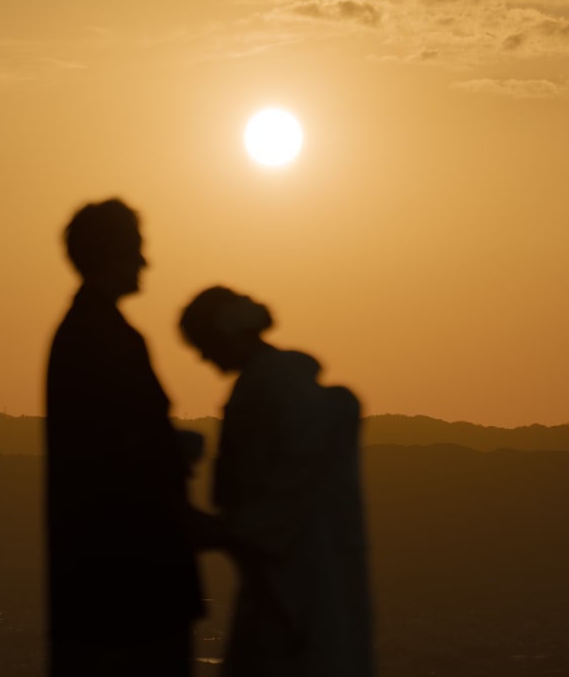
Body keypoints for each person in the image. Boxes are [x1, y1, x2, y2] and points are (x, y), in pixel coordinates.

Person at [179, 286, 373, 677]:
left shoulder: (277, 386)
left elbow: (293, 483)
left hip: (297, 572)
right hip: (282, 571)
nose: (203, 356)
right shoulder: (269, 383)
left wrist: (230, 529)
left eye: (203, 344)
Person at [45, 199, 203, 677]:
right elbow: (126, 455)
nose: (145, 262)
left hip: (104, 588)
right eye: (136, 248)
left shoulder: (83, 334)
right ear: (111, 253)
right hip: (131, 590)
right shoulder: (106, 338)